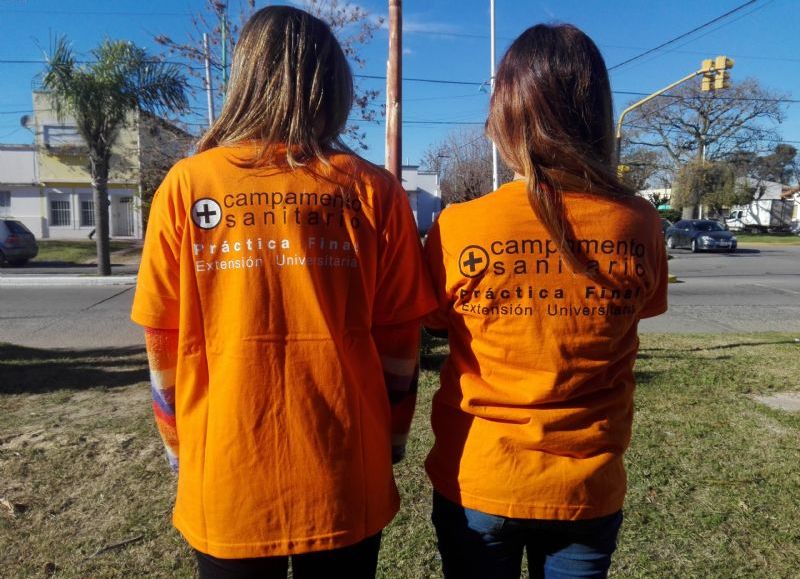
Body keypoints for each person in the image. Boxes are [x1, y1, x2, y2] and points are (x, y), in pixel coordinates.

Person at [131, 6, 434, 578]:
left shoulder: (187, 185)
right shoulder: (375, 191)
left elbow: (161, 341)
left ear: (245, 75)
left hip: (225, 472)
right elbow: (400, 342)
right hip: (347, 470)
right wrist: (390, 444)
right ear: (333, 84)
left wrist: (179, 451)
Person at [422, 23, 668, 579]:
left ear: (506, 113)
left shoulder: (459, 227)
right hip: (588, 486)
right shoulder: (640, 222)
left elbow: (438, 324)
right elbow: (641, 310)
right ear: (596, 111)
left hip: (479, 478)